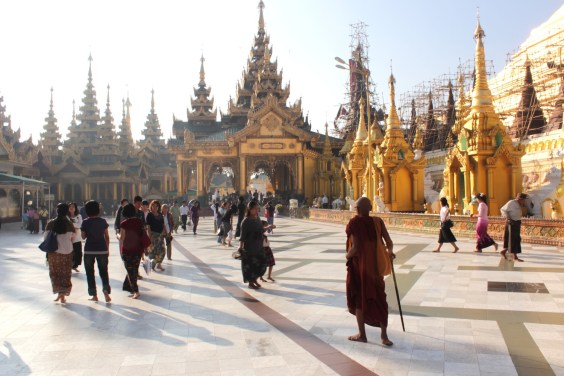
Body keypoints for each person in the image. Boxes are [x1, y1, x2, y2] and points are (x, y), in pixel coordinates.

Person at [345, 197, 395, 346]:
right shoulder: (378, 222)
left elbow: (356, 247)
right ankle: (384, 336)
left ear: (357, 209)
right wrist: (389, 252)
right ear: (371, 207)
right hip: (375, 268)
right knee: (380, 299)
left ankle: (362, 334)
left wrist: (347, 255)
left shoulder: (354, 223)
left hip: (359, 268)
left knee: (360, 298)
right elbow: (389, 243)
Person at [45, 203, 77, 304]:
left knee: (54, 273)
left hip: (54, 252)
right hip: (67, 251)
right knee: (66, 273)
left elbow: (45, 238)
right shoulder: (70, 224)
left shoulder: (50, 223)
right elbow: (74, 238)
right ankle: (63, 294)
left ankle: (59, 292)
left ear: (57, 211)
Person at [81, 200, 111, 303]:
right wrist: (107, 249)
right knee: (104, 272)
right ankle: (106, 291)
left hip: (89, 250)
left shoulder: (85, 222)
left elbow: (83, 237)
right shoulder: (103, 221)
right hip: (102, 249)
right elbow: (107, 237)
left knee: (90, 273)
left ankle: (94, 295)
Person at [118, 203, 145, 299]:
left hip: (127, 250)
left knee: (130, 271)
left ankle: (136, 291)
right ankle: (129, 287)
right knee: (134, 269)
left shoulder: (124, 223)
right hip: (138, 249)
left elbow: (122, 238)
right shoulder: (139, 222)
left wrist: (117, 234)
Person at [239, 201, 267, 289]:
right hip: (250, 246)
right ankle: (251, 282)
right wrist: (240, 247)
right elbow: (242, 236)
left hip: (259, 245)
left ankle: (255, 279)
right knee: (251, 265)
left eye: (257, 208)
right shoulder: (246, 221)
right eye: (254, 209)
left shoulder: (257, 218)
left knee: (262, 263)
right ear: (249, 209)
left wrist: (267, 228)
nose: (256, 210)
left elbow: (261, 229)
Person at [500, 193, 528, 262]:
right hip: (511, 223)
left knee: (516, 239)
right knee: (512, 239)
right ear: (520, 199)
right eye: (524, 200)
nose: (524, 201)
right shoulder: (511, 202)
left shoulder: (519, 204)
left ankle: (504, 252)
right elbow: (503, 210)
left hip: (517, 223)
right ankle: (514, 257)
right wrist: (508, 218)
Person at [146, 200, 166, 271]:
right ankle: (153, 265)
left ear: (158, 207)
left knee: (162, 250)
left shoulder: (160, 215)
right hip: (153, 235)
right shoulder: (149, 215)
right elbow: (148, 226)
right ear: (151, 207)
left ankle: (158, 264)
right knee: (153, 251)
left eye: (156, 206)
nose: (155, 207)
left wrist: (164, 233)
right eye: (153, 206)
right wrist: (149, 237)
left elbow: (163, 225)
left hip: (160, 235)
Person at [68, 202, 83, 272]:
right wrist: (75, 225)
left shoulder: (78, 216)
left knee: (78, 253)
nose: (71, 208)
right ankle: (69, 265)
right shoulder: (66, 217)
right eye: (70, 206)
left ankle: (74, 265)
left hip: (77, 238)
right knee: (70, 253)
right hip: (68, 238)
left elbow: (80, 225)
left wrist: (71, 224)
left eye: (73, 206)